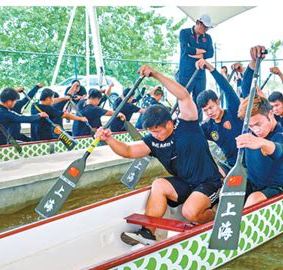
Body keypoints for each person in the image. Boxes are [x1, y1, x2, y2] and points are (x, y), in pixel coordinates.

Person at [95, 65, 223, 246]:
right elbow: (129, 151)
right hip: (186, 185)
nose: (154, 135)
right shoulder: (152, 141)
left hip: (210, 182)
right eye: (150, 131)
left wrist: (155, 74)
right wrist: (109, 140)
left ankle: (216, 215)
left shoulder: (187, 123)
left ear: (169, 124)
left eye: (157, 130)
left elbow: (183, 95)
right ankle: (148, 232)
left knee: (190, 212)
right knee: (159, 184)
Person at [236, 94, 283, 208]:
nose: (255, 130)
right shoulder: (249, 132)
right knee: (226, 192)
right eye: (251, 126)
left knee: (254, 199)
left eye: (258, 124)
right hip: (252, 184)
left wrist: (262, 142)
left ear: (271, 114)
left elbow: (282, 151)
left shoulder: (281, 135)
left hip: (275, 188)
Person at [196, 59, 243, 174]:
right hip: (232, 165)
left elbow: (227, 89)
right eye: (205, 110)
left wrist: (211, 69)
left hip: (251, 162)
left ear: (218, 102)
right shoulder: (207, 126)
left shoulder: (233, 112)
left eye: (211, 107)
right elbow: (191, 132)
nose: (209, 112)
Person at [177, 14, 214, 119]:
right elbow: (186, 50)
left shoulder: (207, 37)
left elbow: (210, 53)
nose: (206, 30)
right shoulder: (184, 33)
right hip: (185, 73)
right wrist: (202, 51)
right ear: (198, 23)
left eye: (207, 28)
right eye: (204, 27)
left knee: (200, 101)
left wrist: (197, 52)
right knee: (183, 100)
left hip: (200, 73)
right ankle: (183, 124)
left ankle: (198, 124)